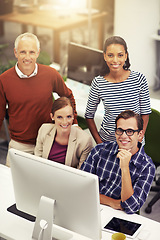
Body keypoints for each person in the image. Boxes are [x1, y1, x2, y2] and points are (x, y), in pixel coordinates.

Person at [0, 32, 78, 167]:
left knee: (47, 185)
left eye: (31, 52)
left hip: (48, 143)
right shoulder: (4, 80)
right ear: (15, 53)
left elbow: (68, 96)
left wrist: (74, 123)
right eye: (23, 52)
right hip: (20, 145)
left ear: (38, 53)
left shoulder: (51, 74)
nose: (27, 57)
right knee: (11, 184)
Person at [81, 110, 155, 214]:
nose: (124, 136)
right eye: (120, 130)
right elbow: (81, 188)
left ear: (139, 134)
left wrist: (125, 168)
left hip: (120, 216)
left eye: (130, 131)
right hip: (91, 206)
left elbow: (130, 206)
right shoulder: (100, 150)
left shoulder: (147, 166)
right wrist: (112, 202)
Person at [85, 36, 151, 144]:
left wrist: (139, 138)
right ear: (104, 56)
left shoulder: (139, 79)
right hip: (108, 142)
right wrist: (100, 143)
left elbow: (145, 113)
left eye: (120, 55)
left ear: (126, 56)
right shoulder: (98, 83)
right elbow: (89, 116)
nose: (115, 60)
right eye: (110, 55)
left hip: (134, 143)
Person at [34, 97, 93, 169]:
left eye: (68, 116)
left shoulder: (85, 141)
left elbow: (81, 173)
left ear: (73, 117)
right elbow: (37, 162)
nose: (64, 122)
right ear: (52, 116)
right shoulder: (44, 130)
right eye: (59, 117)